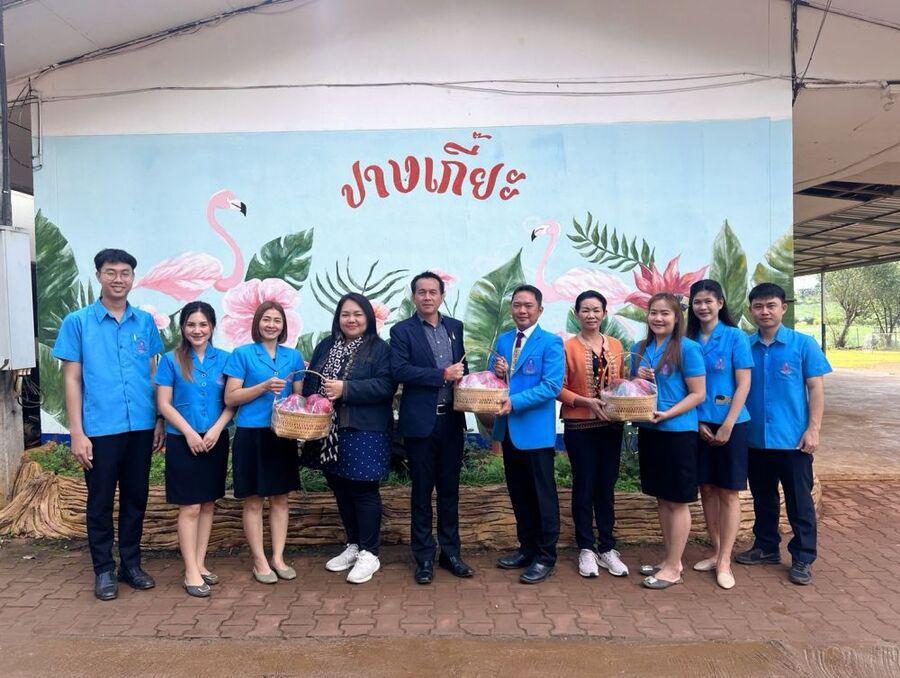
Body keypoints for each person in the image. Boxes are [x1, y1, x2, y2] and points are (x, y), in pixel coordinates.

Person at [52, 248, 165, 601]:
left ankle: (131, 564)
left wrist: (158, 418)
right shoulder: (78, 322)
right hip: (100, 428)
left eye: (125, 273)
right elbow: (72, 379)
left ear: (133, 278)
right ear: (99, 275)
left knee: (136, 498)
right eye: (111, 272)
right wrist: (77, 432)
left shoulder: (144, 322)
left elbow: (152, 372)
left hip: (140, 426)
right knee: (100, 501)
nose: (118, 279)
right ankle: (103, 569)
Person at [736, 283, 831, 586]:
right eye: (758, 306)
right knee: (763, 498)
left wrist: (813, 429)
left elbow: (816, 389)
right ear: (751, 310)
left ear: (783, 308)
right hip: (755, 439)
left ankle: (803, 557)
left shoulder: (803, 344)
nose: (764, 311)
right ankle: (766, 547)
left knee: (799, 502)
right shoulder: (745, 346)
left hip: (793, 440)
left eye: (771, 305)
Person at [302, 293, 395, 584]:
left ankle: (370, 552)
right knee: (340, 486)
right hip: (328, 430)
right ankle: (354, 544)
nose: (351, 320)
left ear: (368, 317)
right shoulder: (326, 345)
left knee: (364, 489)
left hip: (365, 429)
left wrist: (346, 389)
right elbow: (311, 381)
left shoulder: (379, 349)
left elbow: (386, 386)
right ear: (338, 318)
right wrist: (309, 400)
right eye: (345, 314)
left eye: (357, 314)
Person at [390, 271, 473, 585]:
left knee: (450, 491)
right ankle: (423, 556)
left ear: (442, 296)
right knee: (422, 492)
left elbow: (461, 367)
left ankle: (451, 553)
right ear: (414, 296)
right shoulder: (402, 331)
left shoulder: (455, 327)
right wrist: (442, 375)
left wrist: (472, 379)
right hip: (420, 423)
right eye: (421, 292)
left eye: (433, 292)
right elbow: (399, 370)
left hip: (451, 421)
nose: (427, 297)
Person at [155, 302, 234, 597]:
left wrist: (216, 429)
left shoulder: (226, 360)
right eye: (191, 324)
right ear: (183, 328)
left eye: (203, 324)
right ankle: (190, 571)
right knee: (190, 507)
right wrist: (189, 432)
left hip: (215, 439)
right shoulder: (170, 360)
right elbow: (164, 403)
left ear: (212, 327)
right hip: (182, 440)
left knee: (208, 503)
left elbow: (231, 402)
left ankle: (200, 563)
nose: (197, 330)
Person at [223, 301, 305, 585]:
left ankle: (278, 557)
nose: (271, 325)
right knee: (254, 501)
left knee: (281, 499)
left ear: (284, 325)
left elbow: (298, 398)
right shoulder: (242, 354)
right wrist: (262, 387)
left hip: (282, 434)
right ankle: (259, 560)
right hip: (251, 434)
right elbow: (231, 397)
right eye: (266, 319)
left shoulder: (293, 356)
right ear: (257, 323)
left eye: (277, 320)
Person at [632, 292, 706, 590]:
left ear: (677, 318)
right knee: (662, 498)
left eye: (665, 313)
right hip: (650, 431)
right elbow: (635, 389)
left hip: (678, 432)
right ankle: (668, 559)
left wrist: (668, 414)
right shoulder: (640, 348)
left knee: (677, 501)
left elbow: (698, 393)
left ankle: (675, 567)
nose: (658, 318)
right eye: (654, 312)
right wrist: (637, 377)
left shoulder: (688, 348)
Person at [492, 284, 564, 584]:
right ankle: (526, 548)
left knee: (542, 496)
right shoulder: (503, 340)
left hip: (535, 432)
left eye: (528, 305)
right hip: (509, 431)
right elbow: (493, 380)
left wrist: (515, 401)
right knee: (520, 493)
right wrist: (497, 372)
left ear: (540, 310)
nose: (522, 310)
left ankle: (545, 556)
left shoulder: (551, 342)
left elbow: (552, 386)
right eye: (517, 305)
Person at [557, 290, 629, 578]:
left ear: (604, 313)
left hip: (611, 425)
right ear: (577, 314)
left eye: (596, 310)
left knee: (607, 485)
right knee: (584, 485)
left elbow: (621, 383)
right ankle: (586, 548)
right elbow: (558, 387)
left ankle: (608, 548)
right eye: (585, 310)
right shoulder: (567, 347)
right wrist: (585, 402)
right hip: (579, 426)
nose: (591, 315)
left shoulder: (616, 344)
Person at [687, 280, 753, 590]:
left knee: (728, 491)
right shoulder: (688, 339)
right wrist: (698, 422)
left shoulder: (735, 337)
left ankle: (725, 559)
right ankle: (715, 551)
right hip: (698, 424)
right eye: (697, 302)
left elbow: (743, 383)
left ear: (720, 303)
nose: (702, 307)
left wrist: (727, 424)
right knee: (707, 489)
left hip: (732, 424)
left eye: (708, 301)